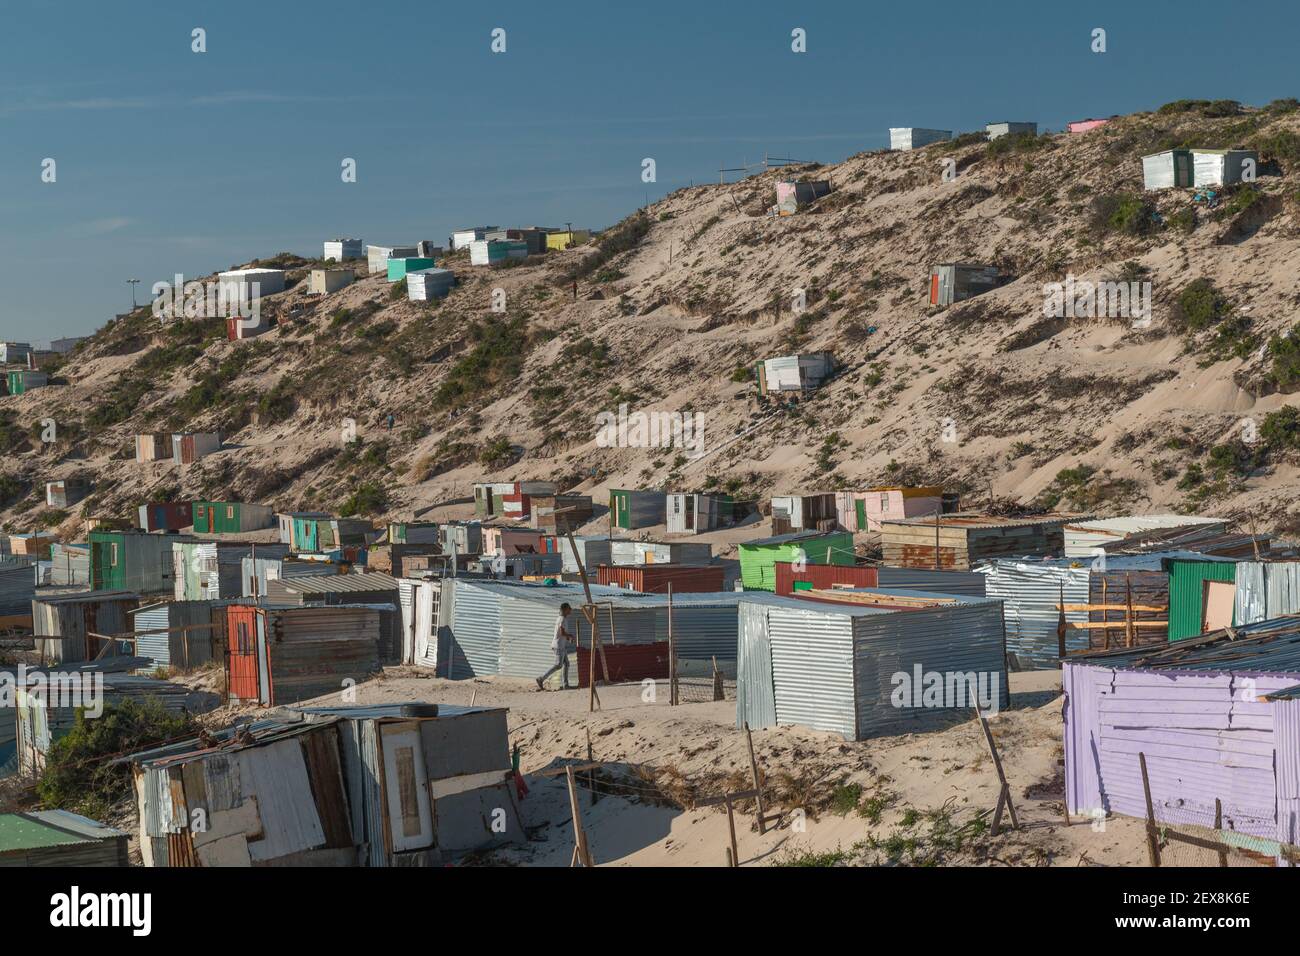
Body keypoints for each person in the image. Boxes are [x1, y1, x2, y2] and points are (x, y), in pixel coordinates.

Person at [536, 602, 575, 690]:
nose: (570, 610)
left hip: (561, 645)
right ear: (565, 610)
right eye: (569, 608)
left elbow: (560, 634)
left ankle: (565, 685)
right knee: (558, 665)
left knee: (567, 664)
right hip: (559, 646)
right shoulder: (562, 619)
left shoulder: (561, 618)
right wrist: (570, 636)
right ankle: (541, 678)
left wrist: (568, 638)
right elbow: (562, 632)